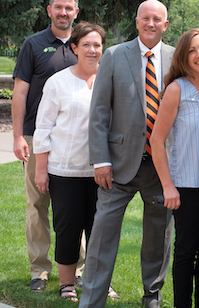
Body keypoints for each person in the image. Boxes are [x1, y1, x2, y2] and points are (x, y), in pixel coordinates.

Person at [79, 0, 175, 308]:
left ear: (165, 25)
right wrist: (101, 160)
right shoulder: (114, 55)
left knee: (158, 239)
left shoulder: (177, 58)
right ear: (136, 22)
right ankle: (92, 300)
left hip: (161, 168)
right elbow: (98, 113)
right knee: (102, 238)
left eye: (156, 19)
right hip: (117, 167)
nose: (150, 24)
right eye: (145, 18)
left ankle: (152, 297)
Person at [32, 22, 117, 302]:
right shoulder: (58, 82)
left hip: (101, 171)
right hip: (64, 171)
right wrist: (41, 170)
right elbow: (43, 128)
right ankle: (66, 284)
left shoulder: (110, 79)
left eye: (97, 45)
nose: (92, 50)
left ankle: (99, 283)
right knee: (68, 229)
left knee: (99, 231)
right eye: (86, 45)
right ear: (74, 48)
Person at [11, 0, 85, 292]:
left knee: (75, 206)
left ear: (76, 12)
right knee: (37, 205)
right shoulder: (33, 44)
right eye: (58, 7)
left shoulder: (86, 45)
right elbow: (20, 92)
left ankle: (79, 269)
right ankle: (39, 270)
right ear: (49, 10)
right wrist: (18, 136)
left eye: (69, 8)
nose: (63, 12)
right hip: (36, 135)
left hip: (75, 140)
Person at [150, 29, 199, 308]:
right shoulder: (176, 89)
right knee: (185, 252)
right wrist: (168, 186)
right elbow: (156, 141)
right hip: (186, 186)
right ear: (183, 56)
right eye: (192, 50)